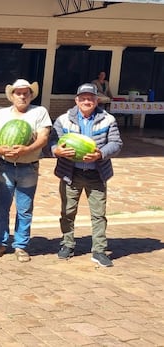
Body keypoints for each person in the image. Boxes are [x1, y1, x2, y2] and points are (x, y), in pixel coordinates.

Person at [49, 83, 123, 267]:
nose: (87, 101)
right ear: (77, 100)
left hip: (97, 173)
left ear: (96, 100)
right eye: (83, 98)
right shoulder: (63, 120)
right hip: (70, 173)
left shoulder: (108, 119)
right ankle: (67, 244)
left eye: (90, 98)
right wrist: (56, 151)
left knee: (99, 214)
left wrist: (101, 154)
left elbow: (116, 143)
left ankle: (99, 250)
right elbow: (52, 141)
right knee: (67, 212)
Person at [0, 79, 52, 262]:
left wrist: (27, 150)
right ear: (12, 95)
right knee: (2, 208)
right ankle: (0, 243)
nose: (22, 96)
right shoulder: (0, 114)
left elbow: (43, 138)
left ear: (31, 95)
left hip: (28, 166)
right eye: (18, 93)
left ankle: (21, 246)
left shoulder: (40, 112)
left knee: (24, 209)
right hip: (4, 166)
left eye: (26, 93)